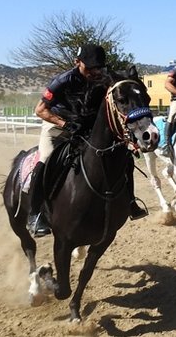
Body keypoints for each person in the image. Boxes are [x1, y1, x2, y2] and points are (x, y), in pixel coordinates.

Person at [28, 44, 147, 237]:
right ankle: (35, 215)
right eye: (90, 67)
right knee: (46, 159)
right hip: (57, 126)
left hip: (88, 127)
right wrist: (65, 124)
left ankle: (131, 202)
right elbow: (40, 110)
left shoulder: (103, 78)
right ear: (77, 62)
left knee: (124, 156)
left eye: (99, 67)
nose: (95, 72)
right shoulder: (63, 81)